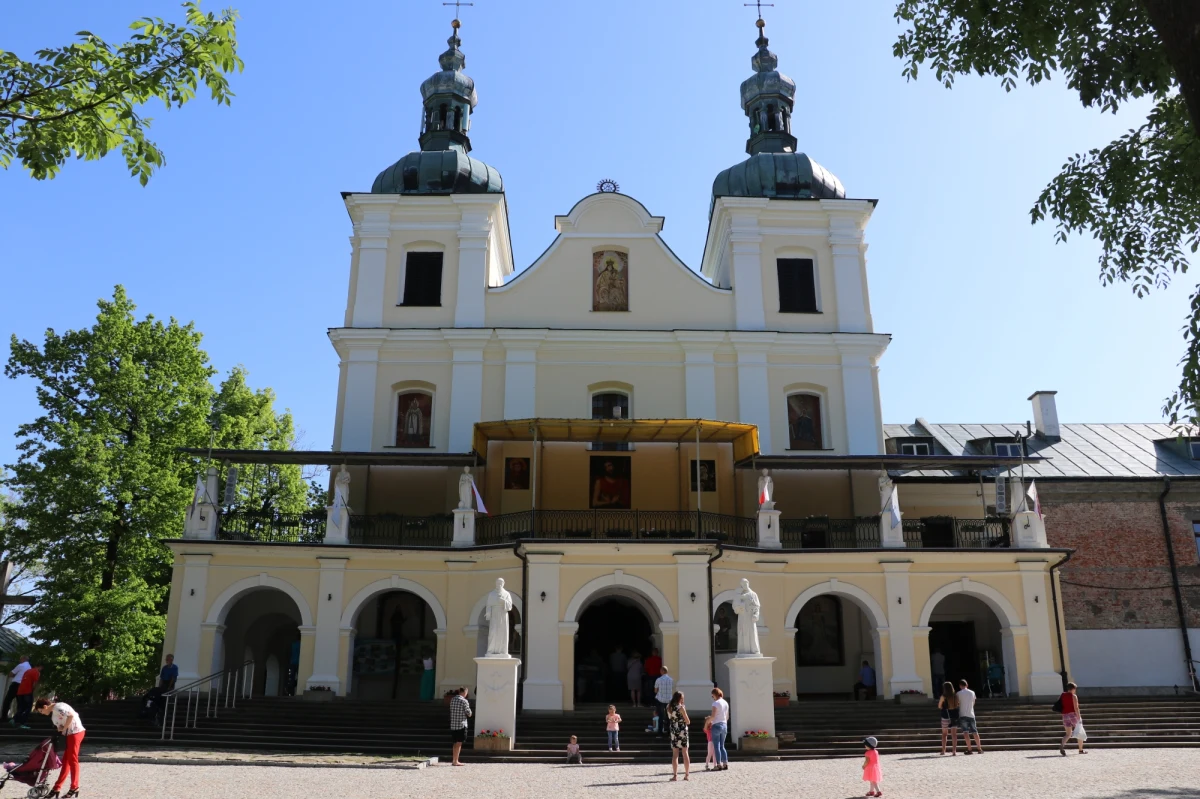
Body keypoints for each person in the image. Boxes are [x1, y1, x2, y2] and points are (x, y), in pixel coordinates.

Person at [37, 697, 84, 799]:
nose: (41, 713)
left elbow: (70, 716)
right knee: (66, 761)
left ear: (45, 707)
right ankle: (57, 787)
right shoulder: (54, 713)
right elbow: (61, 725)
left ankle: (74, 786)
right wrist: (61, 728)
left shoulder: (58, 707)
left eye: (41, 711)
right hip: (70, 734)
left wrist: (64, 728)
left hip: (75, 733)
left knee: (72, 760)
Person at [666, 690, 691, 781]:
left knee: (675, 754)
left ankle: (675, 775)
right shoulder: (681, 708)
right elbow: (688, 721)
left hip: (673, 731)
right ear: (680, 698)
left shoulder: (669, 707)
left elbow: (670, 718)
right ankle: (686, 775)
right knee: (685, 753)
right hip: (682, 731)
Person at [1059, 682, 1087, 756]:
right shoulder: (1073, 696)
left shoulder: (1062, 695)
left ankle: (1062, 745)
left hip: (1065, 715)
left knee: (1068, 734)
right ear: (1073, 689)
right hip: (1073, 715)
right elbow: (1076, 708)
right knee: (1079, 732)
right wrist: (1079, 717)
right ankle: (1080, 750)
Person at [955, 679, 982, 754]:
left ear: (960, 686)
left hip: (962, 714)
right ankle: (979, 748)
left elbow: (957, 703)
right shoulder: (972, 692)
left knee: (965, 732)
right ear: (967, 685)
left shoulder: (958, 693)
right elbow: (973, 702)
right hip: (971, 714)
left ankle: (969, 749)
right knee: (975, 731)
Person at [12, 661, 40, 729]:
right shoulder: (36, 672)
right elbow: (34, 683)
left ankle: (14, 720)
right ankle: (22, 723)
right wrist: (32, 690)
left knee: (22, 707)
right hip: (27, 691)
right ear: (40, 666)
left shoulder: (28, 671)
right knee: (28, 707)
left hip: (20, 691)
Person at [449, 686, 472, 766]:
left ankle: (454, 760)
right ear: (464, 692)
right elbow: (469, 713)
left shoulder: (452, 700)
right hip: (461, 725)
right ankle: (456, 761)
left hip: (453, 724)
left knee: (455, 743)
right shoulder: (464, 701)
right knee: (459, 743)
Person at [710, 686, 730, 771]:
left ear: (714, 695)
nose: (712, 697)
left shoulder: (715, 703)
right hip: (724, 725)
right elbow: (727, 716)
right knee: (722, 746)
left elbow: (713, 716)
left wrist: (708, 720)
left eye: (712, 696)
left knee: (716, 746)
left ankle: (718, 764)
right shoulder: (726, 703)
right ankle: (725, 763)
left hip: (716, 725)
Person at [4, 656, 29, 722]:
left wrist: (16, 675)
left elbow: (11, 674)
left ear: (23, 659)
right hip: (23, 685)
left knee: (8, 700)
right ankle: (18, 718)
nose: (19, 660)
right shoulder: (29, 667)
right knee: (20, 702)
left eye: (20, 659)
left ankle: (4, 717)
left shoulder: (21, 665)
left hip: (15, 684)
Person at [937, 681, 959, 755]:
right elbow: (957, 704)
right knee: (954, 734)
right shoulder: (955, 695)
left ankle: (943, 750)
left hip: (945, 716)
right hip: (954, 716)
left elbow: (939, 706)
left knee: (944, 734)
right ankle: (954, 751)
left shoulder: (943, 696)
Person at [653, 666, 674, 737]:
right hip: (669, 700)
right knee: (669, 717)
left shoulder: (658, 679)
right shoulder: (671, 680)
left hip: (660, 699)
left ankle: (660, 733)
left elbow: (655, 690)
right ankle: (669, 733)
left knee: (661, 716)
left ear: (662, 671)